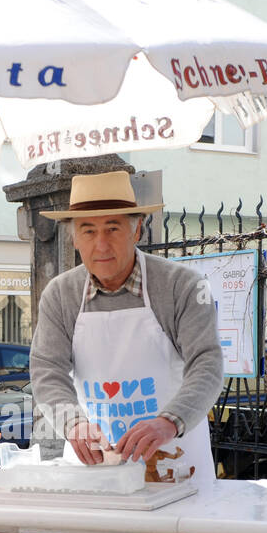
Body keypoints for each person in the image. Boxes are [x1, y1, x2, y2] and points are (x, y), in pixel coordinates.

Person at [30, 170, 223, 485]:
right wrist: (73, 424)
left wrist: (168, 422)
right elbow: (46, 371)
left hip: (175, 461)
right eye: (88, 231)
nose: (101, 244)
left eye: (113, 228)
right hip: (94, 464)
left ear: (137, 231)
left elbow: (207, 363)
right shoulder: (60, 294)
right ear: (74, 238)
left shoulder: (182, 286)